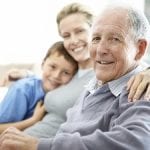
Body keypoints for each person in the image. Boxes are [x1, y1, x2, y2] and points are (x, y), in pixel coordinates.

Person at [0, 4, 150, 150]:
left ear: (140, 49)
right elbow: (50, 78)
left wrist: (38, 145)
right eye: (96, 38)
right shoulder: (81, 71)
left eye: (114, 39)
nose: (100, 49)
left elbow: (139, 141)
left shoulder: (136, 86)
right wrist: (28, 75)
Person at [0, 41, 78, 133]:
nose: (56, 75)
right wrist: (34, 120)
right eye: (53, 67)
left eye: (66, 72)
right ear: (43, 64)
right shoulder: (21, 90)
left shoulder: (66, 95)